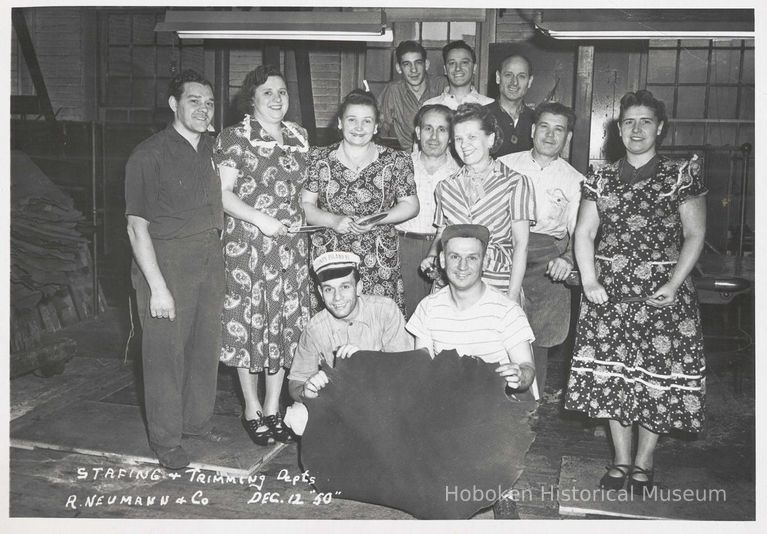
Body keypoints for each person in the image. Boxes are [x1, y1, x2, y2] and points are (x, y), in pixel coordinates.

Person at [564, 90, 707, 493]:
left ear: (660, 128)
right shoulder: (601, 176)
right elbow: (585, 232)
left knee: (654, 380)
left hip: (663, 295)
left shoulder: (681, 174)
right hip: (609, 295)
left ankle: (644, 464)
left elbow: (695, 235)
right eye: (629, 122)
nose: (637, 129)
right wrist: (589, 280)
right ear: (619, 128)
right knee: (614, 379)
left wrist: (674, 283)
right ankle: (620, 461)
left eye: (645, 121)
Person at [125, 70, 225, 470]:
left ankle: (196, 425)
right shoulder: (148, 155)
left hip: (209, 259)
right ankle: (166, 440)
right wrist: (157, 288)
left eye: (209, 102)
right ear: (173, 104)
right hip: (166, 262)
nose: (203, 108)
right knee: (166, 354)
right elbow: (136, 227)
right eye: (194, 100)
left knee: (204, 348)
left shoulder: (213, 149)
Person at [406, 224, 536, 519]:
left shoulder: (506, 310)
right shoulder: (428, 308)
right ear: (441, 260)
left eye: (472, 258)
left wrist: (518, 374)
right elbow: (420, 366)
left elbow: (527, 370)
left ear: (485, 261)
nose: (462, 266)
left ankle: (502, 490)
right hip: (446, 403)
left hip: (492, 406)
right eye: (454, 257)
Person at [212, 65, 311, 446]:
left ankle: (273, 406)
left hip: (289, 251)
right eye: (267, 92)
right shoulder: (234, 137)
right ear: (251, 98)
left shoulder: (298, 137)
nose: (276, 99)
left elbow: (304, 195)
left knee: (283, 327)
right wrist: (262, 220)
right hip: (248, 247)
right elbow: (223, 194)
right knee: (248, 324)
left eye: (282, 92)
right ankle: (251, 407)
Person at [301, 89, 419, 316]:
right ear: (340, 123)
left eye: (367, 121)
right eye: (351, 120)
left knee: (378, 321)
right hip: (331, 254)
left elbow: (411, 205)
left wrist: (376, 220)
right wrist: (333, 220)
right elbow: (306, 205)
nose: (358, 127)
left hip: (379, 257)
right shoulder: (317, 158)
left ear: (376, 127)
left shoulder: (397, 160)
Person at [499, 102, 584, 396]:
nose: (550, 135)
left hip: (547, 257)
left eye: (558, 129)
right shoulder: (505, 165)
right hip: (504, 250)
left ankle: (530, 408)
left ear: (568, 137)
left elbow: (579, 233)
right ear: (533, 130)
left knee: (540, 335)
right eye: (544, 126)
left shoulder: (576, 181)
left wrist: (567, 257)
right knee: (497, 329)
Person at [422, 103, 535, 304]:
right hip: (452, 286)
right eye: (458, 138)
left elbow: (521, 244)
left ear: (490, 139)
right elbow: (441, 233)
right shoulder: (445, 187)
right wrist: (431, 256)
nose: (464, 145)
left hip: (497, 284)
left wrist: (512, 296)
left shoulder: (515, 183)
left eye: (472, 137)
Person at [288, 251, 413, 402]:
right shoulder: (314, 329)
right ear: (320, 292)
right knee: (297, 415)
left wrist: (367, 361)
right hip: (340, 404)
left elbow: (407, 369)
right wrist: (307, 390)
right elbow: (296, 383)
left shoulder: (385, 310)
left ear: (359, 287)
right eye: (328, 289)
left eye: (345, 286)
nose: (337, 297)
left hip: (385, 398)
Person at [396, 104, 459, 317]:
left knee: (438, 316)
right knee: (403, 315)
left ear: (451, 136)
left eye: (442, 129)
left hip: (442, 248)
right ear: (417, 132)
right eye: (428, 128)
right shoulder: (401, 166)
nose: (434, 136)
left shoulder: (459, 173)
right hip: (402, 246)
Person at [377, 40, 448, 150]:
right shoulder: (393, 91)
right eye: (407, 64)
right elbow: (380, 126)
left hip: (442, 157)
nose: (413, 69)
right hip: (409, 159)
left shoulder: (442, 85)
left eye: (418, 63)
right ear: (399, 68)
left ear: (426, 65)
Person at [485, 54, 535, 157]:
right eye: (508, 75)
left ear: (529, 81)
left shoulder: (537, 120)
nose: (514, 82)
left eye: (521, 76)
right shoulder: (481, 116)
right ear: (498, 77)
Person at [422, 40, 494, 110]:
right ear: (445, 69)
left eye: (464, 62)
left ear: (474, 68)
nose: (458, 68)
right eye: (452, 63)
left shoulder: (489, 105)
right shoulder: (430, 106)